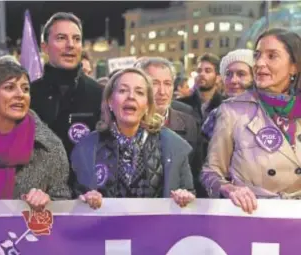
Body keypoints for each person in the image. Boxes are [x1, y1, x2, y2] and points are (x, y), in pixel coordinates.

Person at [200, 28, 301, 214]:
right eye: (257, 55)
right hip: (253, 221)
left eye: (272, 56)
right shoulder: (232, 111)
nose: (260, 63)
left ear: (294, 66)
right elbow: (210, 173)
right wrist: (229, 189)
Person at [71, 68, 195, 209]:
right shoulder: (86, 148)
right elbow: (75, 198)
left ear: (148, 105)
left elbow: (189, 195)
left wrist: (184, 197)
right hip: (103, 229)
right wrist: (85, 199)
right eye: (123, 91)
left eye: (139, 92)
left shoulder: (174, 146)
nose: (131, 96)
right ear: (110, 101)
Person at [0, 61, 71, 208]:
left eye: (25, 89)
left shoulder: (49, 146)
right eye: (9, 87)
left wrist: (48, 202)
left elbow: (63, 201)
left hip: (28, 231)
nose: (20, 95)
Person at [30, 12, 102, 158]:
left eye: (76, 39)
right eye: (61, 38)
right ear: (45, 47)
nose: (70, 45)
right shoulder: (29, 95)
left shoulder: (100, 94)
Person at [136, 57, 205, 197]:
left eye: (167, 83)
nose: (162, 91)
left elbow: (198, 172)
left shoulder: (189, 122)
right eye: (154, 83)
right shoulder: (128, 123)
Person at [202, 49, 254, 140]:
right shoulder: (215, 116)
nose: (233, 80)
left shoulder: (269, 115)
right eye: (228, 74)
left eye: (241, 74)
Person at [179, 53, 223, 123]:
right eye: (199, 71)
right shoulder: (181, 105)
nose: (202, 74)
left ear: (218, 78)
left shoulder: (225, 106)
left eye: (208, 71)